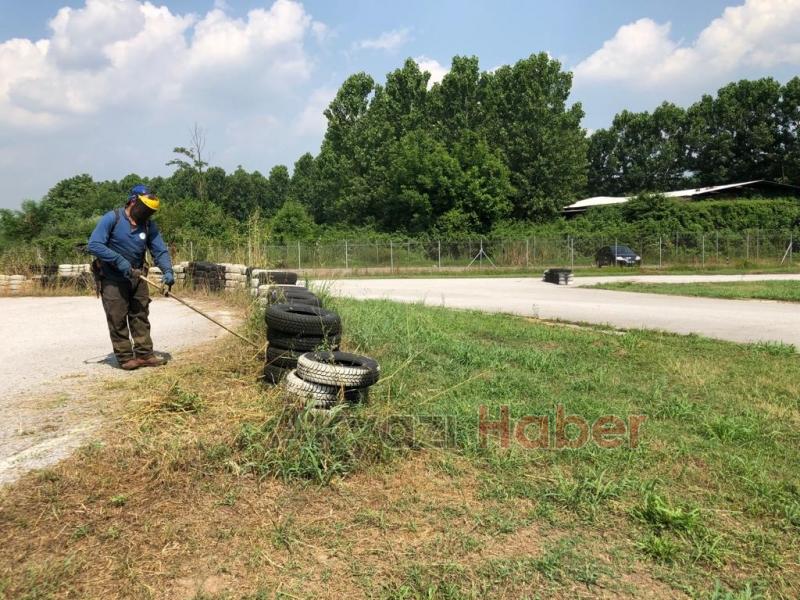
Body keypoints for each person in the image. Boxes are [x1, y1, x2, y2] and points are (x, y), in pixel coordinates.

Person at [87, 185, 176, 370]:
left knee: (140, 315)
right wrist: (119, 260)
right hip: (112, 278)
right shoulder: (113, 218)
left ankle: (144, 354)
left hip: (138, 277)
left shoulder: (148, 225)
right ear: (133, 201)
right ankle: (125, 357)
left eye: (150, 211)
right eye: (145, 209)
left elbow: (159, 250)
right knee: (117, 317)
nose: (147, 214)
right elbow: (94, 245)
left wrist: (168, 270)